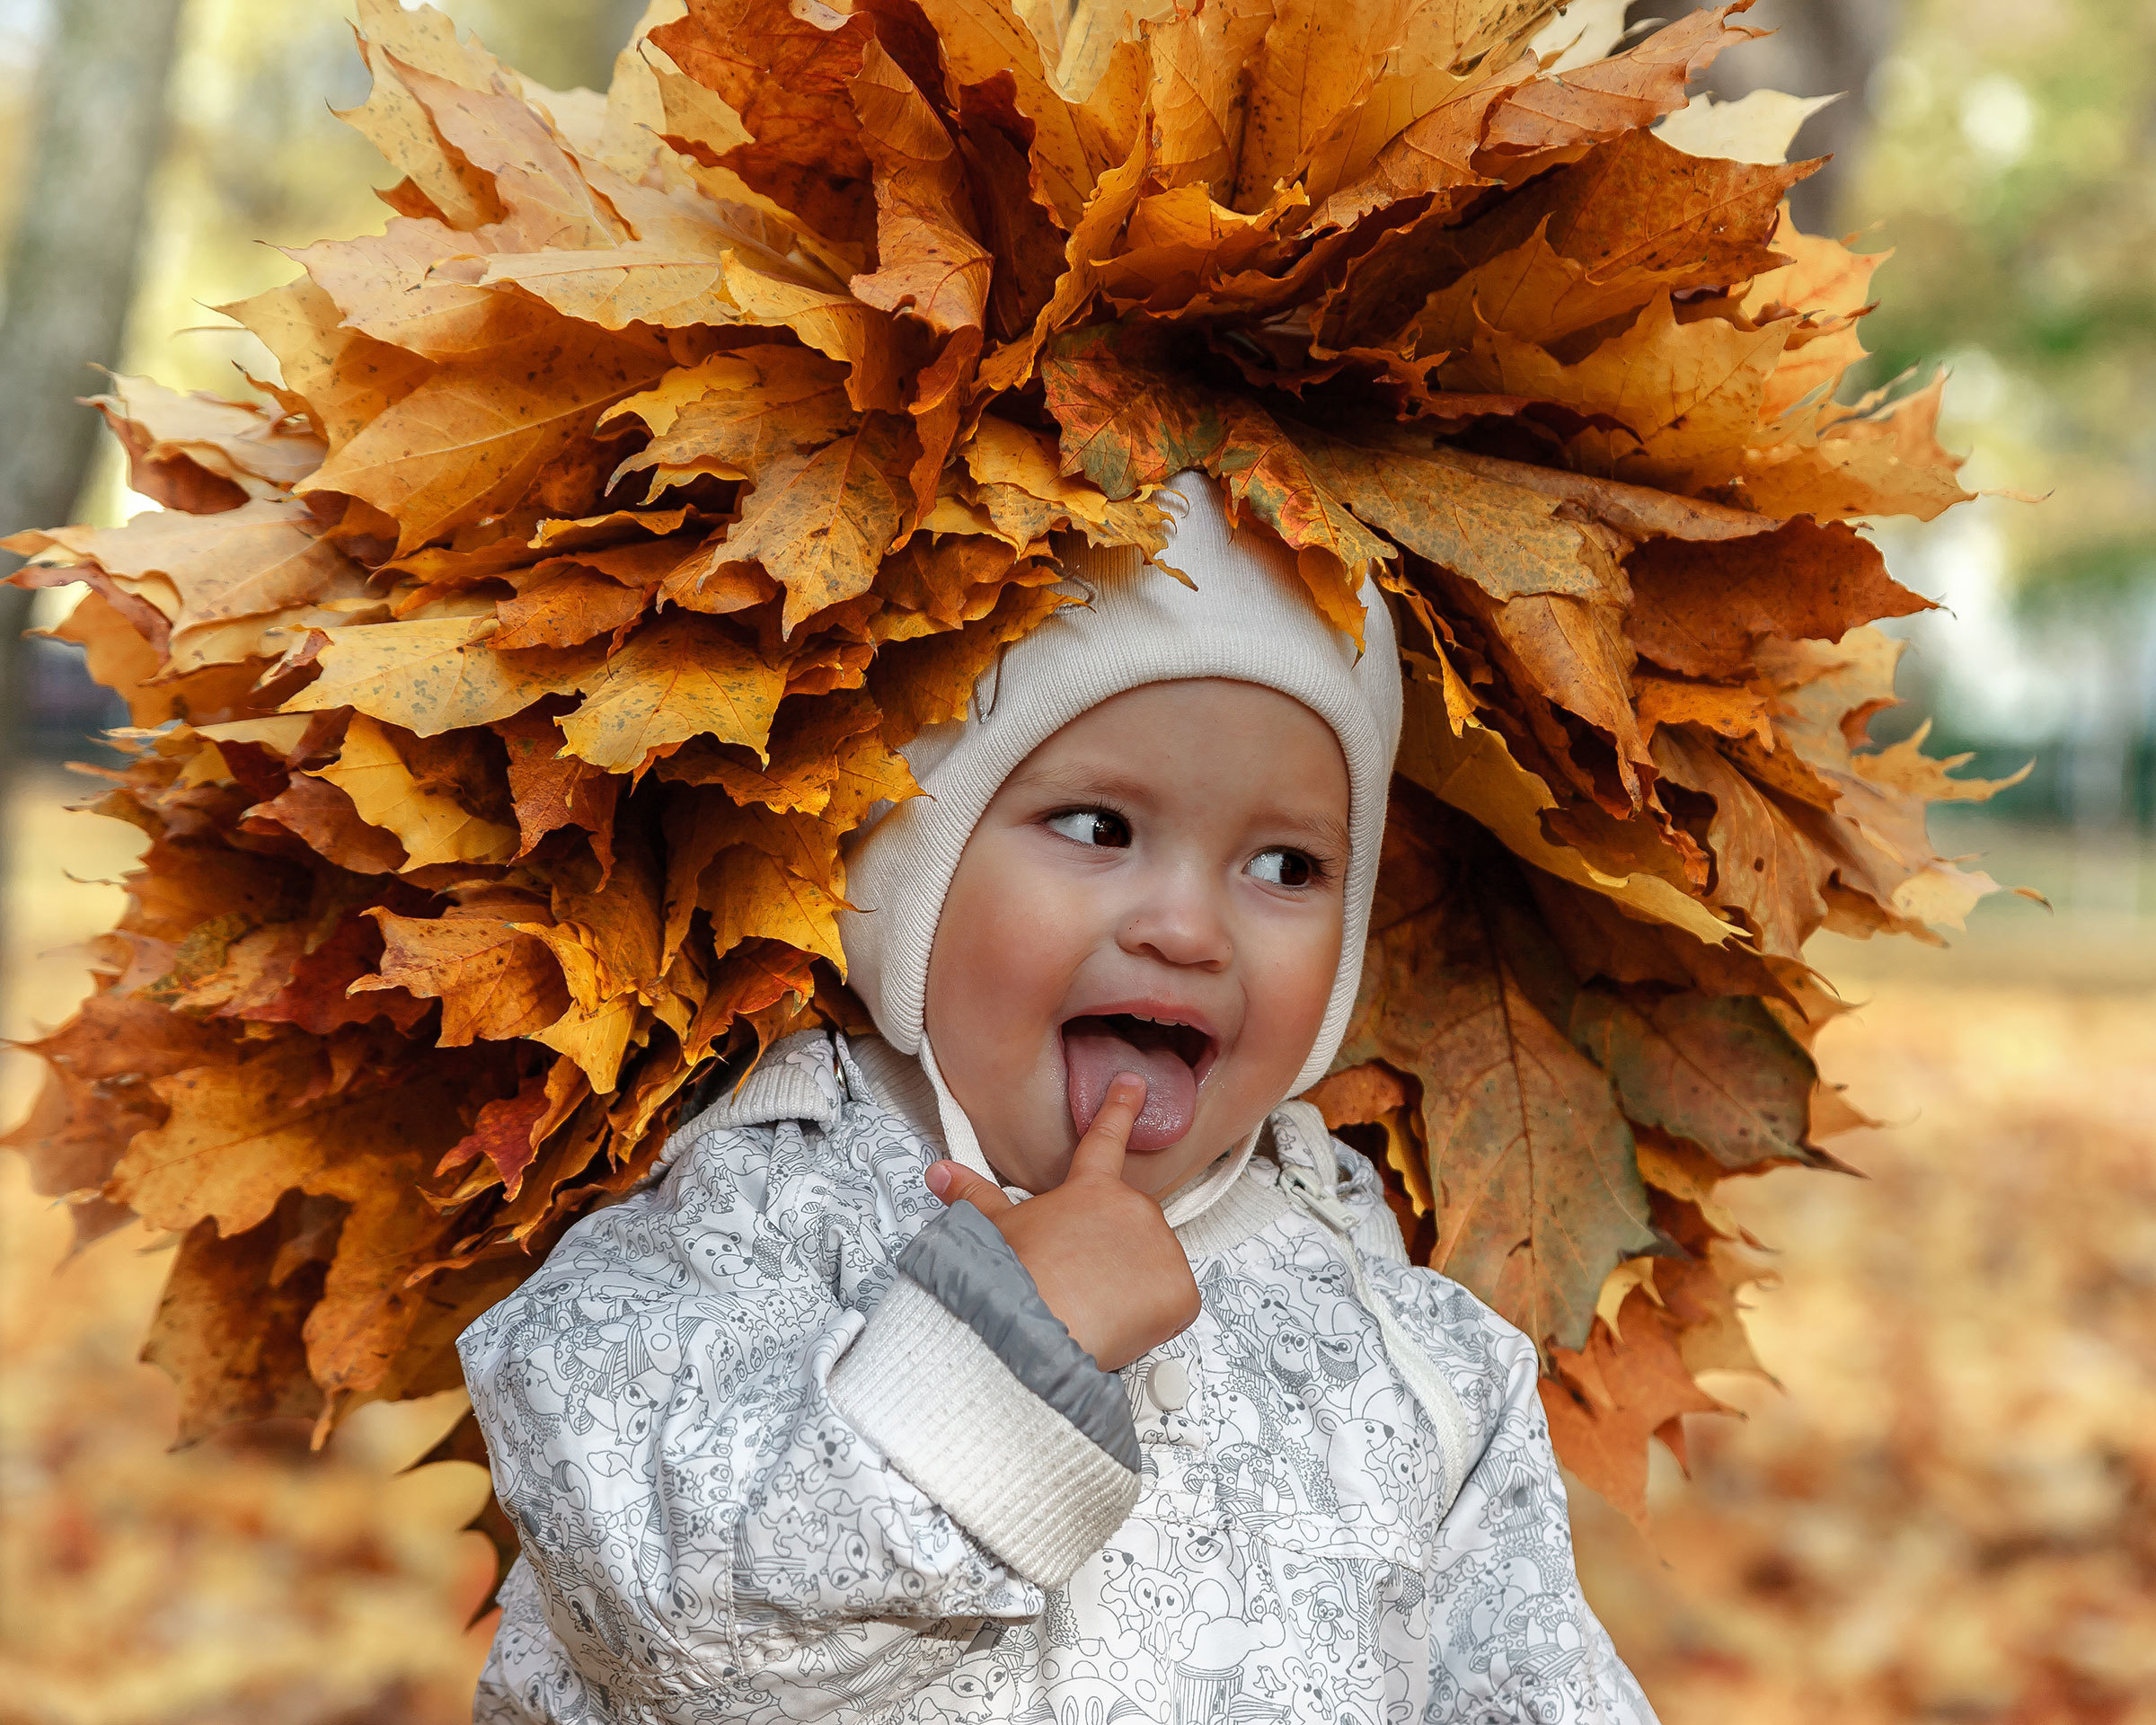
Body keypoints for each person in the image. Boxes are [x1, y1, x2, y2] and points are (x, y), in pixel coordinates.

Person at [456, 472, 1657, 1724]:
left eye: (1285, 864)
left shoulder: (1398, 1336)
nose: (1190, 928)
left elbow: (1531, 1684)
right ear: (910, 874)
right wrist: (998, 1352)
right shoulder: (753, 1210)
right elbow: (668, 1632)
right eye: (1097, 827)